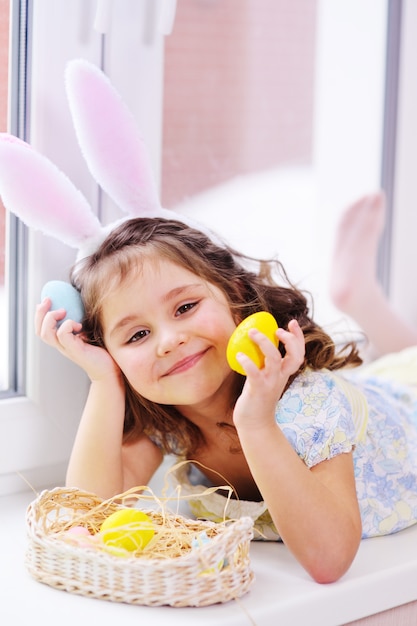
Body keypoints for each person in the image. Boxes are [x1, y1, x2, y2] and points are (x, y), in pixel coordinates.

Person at [35, 191, 417, 585]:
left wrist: (256, 423)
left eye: (185, 308)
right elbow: (85, 521)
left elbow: (329, 559)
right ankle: (361, 298)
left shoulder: (310, 401)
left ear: (235, 294)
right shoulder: (164, 421)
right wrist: (104, 379)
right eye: (137, 335)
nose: (168, 341)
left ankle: (359, 298)